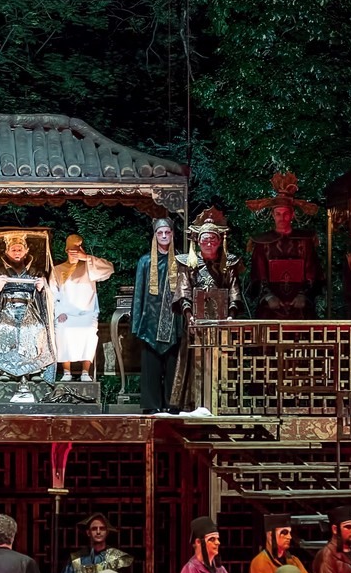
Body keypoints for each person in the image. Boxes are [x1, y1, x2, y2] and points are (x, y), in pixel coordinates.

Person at [170, 208, 244, 409]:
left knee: (222, 361)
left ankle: (222, 402)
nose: (209, 243)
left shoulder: (228, 264)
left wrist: (231, 315)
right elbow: (183, 289)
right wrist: (188, 314)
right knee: (195, 361)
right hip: (195, 321)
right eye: (205, 240)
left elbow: (234, 289)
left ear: (220, 242)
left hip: (221, 322)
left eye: (213, 239)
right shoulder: (188, 264)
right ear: (198, 241)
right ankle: (193, 403)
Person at [0, 231, 58, 387]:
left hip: (29, 310)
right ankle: (3, 371)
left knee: (35, 329)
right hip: (6, 310)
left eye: (20, 249)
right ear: (7, 252)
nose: (17, 252)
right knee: (3, 328)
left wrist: (42, 289)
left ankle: (33, 370)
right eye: (13, 249)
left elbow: (47, 296)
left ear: (26, 251)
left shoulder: (36, 272)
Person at [245, 171, 321, 319]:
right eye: (278, 214)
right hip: (270, 304)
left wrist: (302, 295)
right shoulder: (262, 242)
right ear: (273, 215)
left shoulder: (305, 241)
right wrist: (268, 296)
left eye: (285, 213)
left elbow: (312, 271)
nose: (282, 218)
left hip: (300, 303)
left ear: (292, 215)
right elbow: (258, 273)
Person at [132, 217, 188, 414]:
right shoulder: (145, 261)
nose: (164, 236)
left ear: (173, 235)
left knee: (173, 364)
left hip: (174, 319)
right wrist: (136, 323)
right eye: (160, 233)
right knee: (150, 365)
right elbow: (138, 292)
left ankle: (172, 403)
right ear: (155, 236)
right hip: (151, 320)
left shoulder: (181, 260)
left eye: (167, 233)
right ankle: (151, 404)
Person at [49, 234, 114, 381]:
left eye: (78, 247)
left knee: (89, 336)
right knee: (63, 333)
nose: (75, 251)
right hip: (66, 313)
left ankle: (85, 372)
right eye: (72, 248)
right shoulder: (58, 270)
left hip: (87, 313)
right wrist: (59, 312)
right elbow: (53, 293)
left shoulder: (90, 266)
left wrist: (86, 258)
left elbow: (109, 269)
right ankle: (66, 372)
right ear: (66, 250)